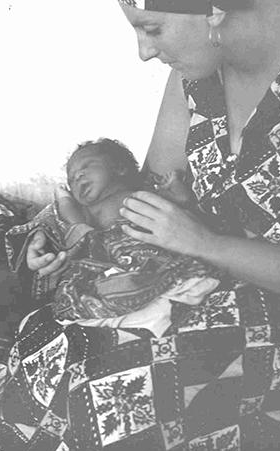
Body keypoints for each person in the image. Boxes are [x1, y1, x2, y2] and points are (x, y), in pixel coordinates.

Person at [2, 0, 280, 451]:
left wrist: (204, 242)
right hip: (207, 289)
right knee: (43, 345)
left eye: (151, 29)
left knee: (113, 390)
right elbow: (147, 206)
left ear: (212, 9)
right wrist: (70, 236)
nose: (144, 51)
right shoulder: (198, 69)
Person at [32, 138, 219, 333]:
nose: (77, 176)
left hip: (147, 243)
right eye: (71, 179)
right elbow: (75, 225)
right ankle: (126, 292)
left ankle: (151, 286)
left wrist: (175, 191)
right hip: (110, 253)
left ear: (119, 169)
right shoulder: (87, 210)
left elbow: (177, 207)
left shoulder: (139, 193)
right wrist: (64, 199)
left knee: (169, 263)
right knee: (74, 290)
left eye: (86, 166)